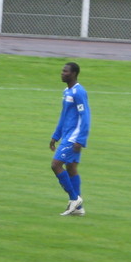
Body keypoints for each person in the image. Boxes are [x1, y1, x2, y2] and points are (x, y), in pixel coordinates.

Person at [49, 61, 90, 216]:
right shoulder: (67, 91)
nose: (62, 73)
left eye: (65, 71)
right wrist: (55, 136)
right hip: (67, 135)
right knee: (71, 168)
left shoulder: (79, 92)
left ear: (73, 74)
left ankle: (74, 199)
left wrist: (81, 139)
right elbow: (64, 116)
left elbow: (85, 117)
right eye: (62, 70)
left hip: (74, 137)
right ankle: (78, 209)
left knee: (56, 165)